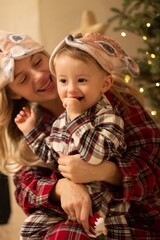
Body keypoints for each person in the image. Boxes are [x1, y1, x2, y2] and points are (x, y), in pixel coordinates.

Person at [0, 30, 160, 240]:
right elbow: (25, 188)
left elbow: (154, 163)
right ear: (13, 93)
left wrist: (104, 172)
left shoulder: (113, 100)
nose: (40, 75)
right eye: (23, 79)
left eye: (38, 61)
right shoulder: (30, 122)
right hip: (78, 221)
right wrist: (62, 187)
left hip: (133, 218)